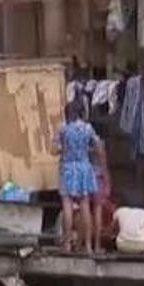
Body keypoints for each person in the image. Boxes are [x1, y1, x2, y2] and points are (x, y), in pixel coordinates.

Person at [53, 101, 104, 253]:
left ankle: (67, 244)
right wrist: (92, 154)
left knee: (67, 206)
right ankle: (88, 246)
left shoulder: (62, 128)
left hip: (68, 167)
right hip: (84, 167)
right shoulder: (87, 128)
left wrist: (63, 150)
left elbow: (54, 149)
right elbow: (98, 146)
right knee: (85, 206)